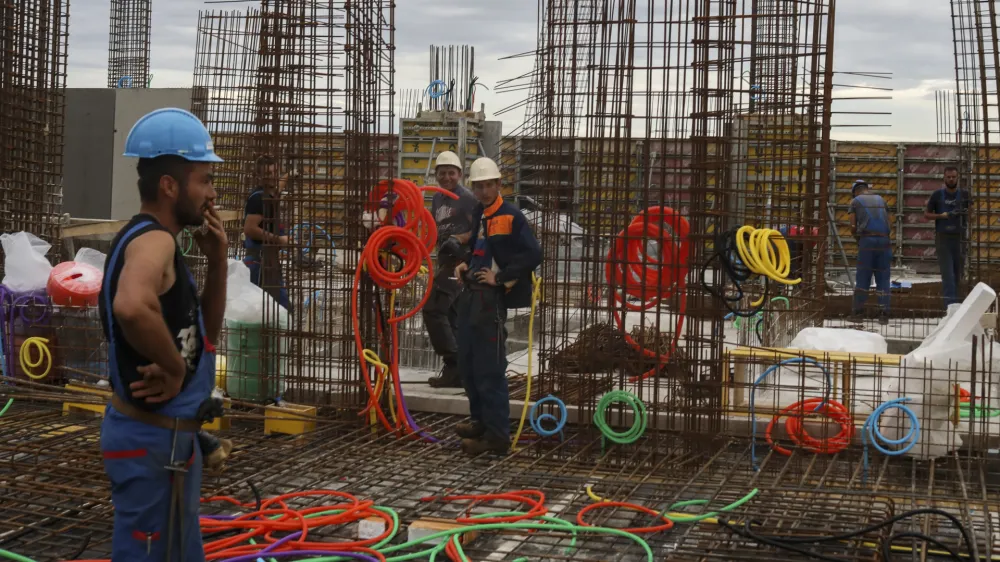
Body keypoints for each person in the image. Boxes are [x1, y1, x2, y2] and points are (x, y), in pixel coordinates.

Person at [98, 108, 227, 561]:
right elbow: (131, 306)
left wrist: (217, 262)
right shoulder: (156, 241)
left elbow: (204, 335)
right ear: (170, 186)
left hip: (167, 441)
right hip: (151, 442)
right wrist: (172, 368)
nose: (212, 194)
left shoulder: (153, 240)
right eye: (205, 180)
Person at [453, 157, 542, 455]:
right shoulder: (481, 213)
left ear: (499, 184)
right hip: (470, 295)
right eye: (478, 186)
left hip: (490, 301)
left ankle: (496, 436)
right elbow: (478, 246)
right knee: (467, 363)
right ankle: (479, 421)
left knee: (489, 368)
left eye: (488, 184)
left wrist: (501, 277)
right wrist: (465, 262)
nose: (483, 190)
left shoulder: (511, 216)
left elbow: (533, 254)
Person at [424, 151, 478, 388]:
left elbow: (480, 230)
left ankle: (454, 363)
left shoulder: (467, 198)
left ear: (460, 174)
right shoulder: (437, 199)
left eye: (451, 173)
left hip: (460, 263)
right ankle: (462, 371)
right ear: (436, 175)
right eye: (442, 173)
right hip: (445, 262)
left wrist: (459, 238)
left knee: (433, 310)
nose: (446, 177)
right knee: (453, 317)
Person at [243, 156, 294, 309]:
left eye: (274, 172)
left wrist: (289, 175)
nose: (271, 176)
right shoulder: (258, 199)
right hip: (259, 261)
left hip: (269, 259)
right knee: (279, 307)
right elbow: (250, 229)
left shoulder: (270, 194)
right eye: (267, 173)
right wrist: (280, 240)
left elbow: (277, 187)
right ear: (259, 176)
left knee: (268, 307)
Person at [848, 179, 892, 324]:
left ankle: (858, 313)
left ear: (855, 191)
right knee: (883, 278)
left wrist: (858, 239)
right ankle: (884, 314)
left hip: (867, 240)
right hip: (884, 240)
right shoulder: (881, 199)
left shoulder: (855, 202)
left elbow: (853, 227)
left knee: (863, 276)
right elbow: (889, 223)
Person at [925, 166, 970, 307]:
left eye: (953, 177)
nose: (951, 179)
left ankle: (958, 306)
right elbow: (927, 214)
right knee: (948, 275)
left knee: (958, 275)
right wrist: (941, 216)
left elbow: (972, 213)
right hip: (943, 239)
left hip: (960, 239)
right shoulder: (937, 195)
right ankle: (950, 307)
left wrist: (965, 214)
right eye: (948, 177)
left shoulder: (965, 195)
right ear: (944, 178)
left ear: (958, 178)